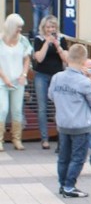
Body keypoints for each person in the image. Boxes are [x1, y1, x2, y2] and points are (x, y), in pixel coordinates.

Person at [48, 42, 91, 197]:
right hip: (80, 125)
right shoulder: (83, 81)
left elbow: (50, 96)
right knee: (78, 158)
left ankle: (62, 184)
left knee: (63, 157)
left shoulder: (57, 77)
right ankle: (70, 186)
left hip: (63, 123)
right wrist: (90, 81)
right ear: (84, 61)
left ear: (68, 57)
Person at [31, 14, 69, 148]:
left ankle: (61, 137)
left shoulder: (62, 39)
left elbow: (66, 60)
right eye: (48, 27)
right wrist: (47, 42)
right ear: (43, 28)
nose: (50, 29)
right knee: (42, 107)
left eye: (52, 27)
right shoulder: (38, 39)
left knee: (58, 106)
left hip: (57, 75)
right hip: (41, 75)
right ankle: (44, 138)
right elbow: (39, 58)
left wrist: (58, 46)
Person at [0, 13, 33, 151]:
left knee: (17, 110)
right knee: (3, 109)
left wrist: (24, 74)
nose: (20, 30)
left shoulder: (23, 40)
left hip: (18, 81)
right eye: (18, 27)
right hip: (2, 81)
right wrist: (5, 78)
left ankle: (17, 139)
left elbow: (27, 59)